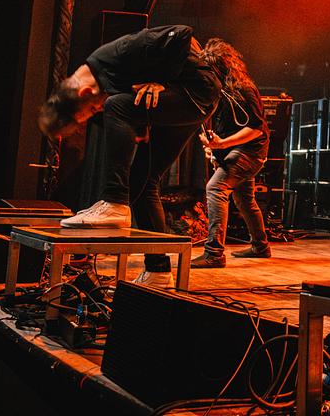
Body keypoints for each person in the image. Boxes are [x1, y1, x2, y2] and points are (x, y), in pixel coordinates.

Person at [39, 25, 223, 279]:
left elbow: (182, 33)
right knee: (143, 180)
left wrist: (162, 81)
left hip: (196, 91)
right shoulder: (108, 75)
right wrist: (142, 125)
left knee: (116, 106)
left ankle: (114, 202)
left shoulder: (123, 50)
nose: (96, 111)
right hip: (193, 100)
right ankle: (158, 272)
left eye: (91, 110)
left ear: (85, 92)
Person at [193, 41, 272, 269]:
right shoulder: (222, 93)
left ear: (220, 68)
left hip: (251, 151)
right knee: (244, 199)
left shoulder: (244, 89)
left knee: (215, 188)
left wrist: (223, 144)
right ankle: (260, 246)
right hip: (239, 151)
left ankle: (214, 254)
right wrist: (213, 145)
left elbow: (257, 128)